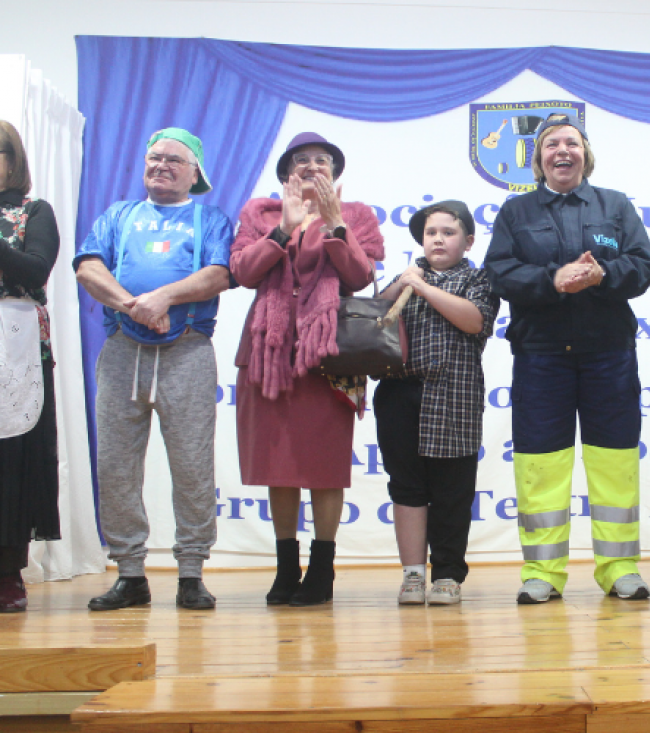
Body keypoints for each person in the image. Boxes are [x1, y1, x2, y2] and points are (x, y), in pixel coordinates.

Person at [484, 113, 650, 604]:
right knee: (541, 466)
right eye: (551, 144)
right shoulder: (516, 212)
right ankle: (542, 573)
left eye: (572, 143)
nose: (562, 151)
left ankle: (620, 568)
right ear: (539, 160)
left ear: (585, 155)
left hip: (609, 355)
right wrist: (552, 280)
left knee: (615, 462)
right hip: (541, 358)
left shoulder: (615, 206)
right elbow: (498, 272)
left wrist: (604, 275)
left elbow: (643, 266)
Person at [75, 128, 233, 610]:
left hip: (187, 350)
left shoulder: (209, 218)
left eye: (174, 160)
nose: (161, 165)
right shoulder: (118, 215)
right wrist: (134, 306)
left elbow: (219, 274)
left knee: (192, 464)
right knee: (116, 464)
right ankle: (129, 574)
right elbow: (88, 268)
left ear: (195, 172)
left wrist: (163, 297)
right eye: (154, 157)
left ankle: (191, 574)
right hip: (123, 349)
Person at [231, 133, 383, 606]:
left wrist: (335, 224)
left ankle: (322, 570)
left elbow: (360, 276)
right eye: (302, 160)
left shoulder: (356, 215)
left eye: (322, 160)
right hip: (269, 354)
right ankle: (285, 568)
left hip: (329, 355)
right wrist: (283, 230)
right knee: (278, 466)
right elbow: (244, 272)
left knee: (325, 466)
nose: (313, 166)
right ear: (286, 174)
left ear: (335, 173)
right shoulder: (260, 213)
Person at [374, 201, 499, 606]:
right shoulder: (405, 277)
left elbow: (475, 320)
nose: (438, 240)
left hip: (454, 394)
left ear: (468, 241)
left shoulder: (478, 279)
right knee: (406, 486)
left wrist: (425, 288)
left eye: (448, 232)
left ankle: (447, 574)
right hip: (399, 393)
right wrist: (403, 283)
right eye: (431, 233)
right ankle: (412, 575)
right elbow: (374, 317)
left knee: (452, 490)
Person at [0, 121, 61, 613]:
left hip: (14, 347)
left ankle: (7, 571)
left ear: (11, 159)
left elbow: (35, 269)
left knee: (12, 458)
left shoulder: (33, 211)